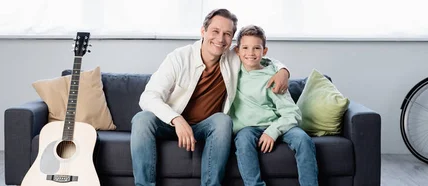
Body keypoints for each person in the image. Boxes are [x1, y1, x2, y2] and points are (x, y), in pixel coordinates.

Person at [130, 9, 291, 186]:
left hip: (205, 127)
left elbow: (258, 58)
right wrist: (176, 119)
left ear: (232, 40)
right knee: (141, 119)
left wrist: (283, 70)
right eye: (215, 31)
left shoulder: (233, 57)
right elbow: (148, 96)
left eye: (227, 34)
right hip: (171, 125)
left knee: (223, 120)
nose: (220, 39)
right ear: (203, 31)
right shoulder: (179, 58)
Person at [230, 25, 319, 186]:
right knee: (242, 140)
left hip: (278, 124)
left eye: (256, 48)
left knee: (303, 140)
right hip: (248, 128)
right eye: (245, 48)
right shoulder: (232, 71)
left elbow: (292, 113)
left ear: (264, 51)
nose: (250, 53)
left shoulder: (273, 76)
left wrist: (272, 131)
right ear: (237, 51)